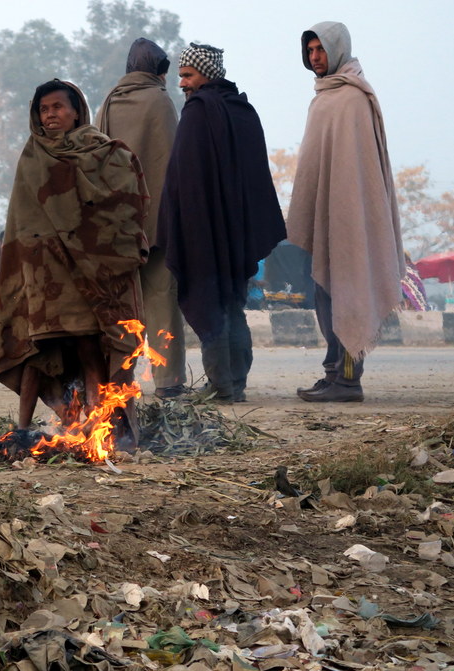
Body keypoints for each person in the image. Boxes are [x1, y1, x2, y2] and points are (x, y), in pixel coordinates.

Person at [0, 79, 148, 432]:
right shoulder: (32, 156)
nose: (50, 114)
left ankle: (98, 427)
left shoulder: (103, 151)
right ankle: (22, 430)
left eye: (58, 107)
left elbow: (122, 201)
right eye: (43, 109)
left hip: (87, 274)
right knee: (36, 352)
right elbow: (22, 222)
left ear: (76, 111)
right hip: (44, 275)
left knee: (89, 346)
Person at [156, 43, 286, 403]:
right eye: (180, 75)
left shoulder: (198, 112)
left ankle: (222, 386)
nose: (182, 83)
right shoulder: (243, 110)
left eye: (188, 75)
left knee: (210, 304)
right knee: (231, 304)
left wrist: (184, 228)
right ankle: (234, 383)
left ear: (207, 74)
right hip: (237, 233)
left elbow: (184, 181)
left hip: (204, 232)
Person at [288, 22, 403, 403]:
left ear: (337, 48)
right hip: (329, 218)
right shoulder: (323, 96)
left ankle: (349, 381)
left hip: (352, 219)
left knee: (350, 293)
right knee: (325, 296)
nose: (315, 57)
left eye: (320, 49)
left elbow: (359, 171)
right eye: (310, 51)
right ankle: (333, 374)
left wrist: (349, 215)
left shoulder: (354, 97)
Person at [96, 38, 187, 399]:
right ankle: (169, 382)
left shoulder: (110, 101)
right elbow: (173, 163)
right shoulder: (161, 101)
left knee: (121, 305)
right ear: (158, 71)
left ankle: (119, 380)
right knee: (161, 297)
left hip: (119, 223)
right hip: (157, 222)